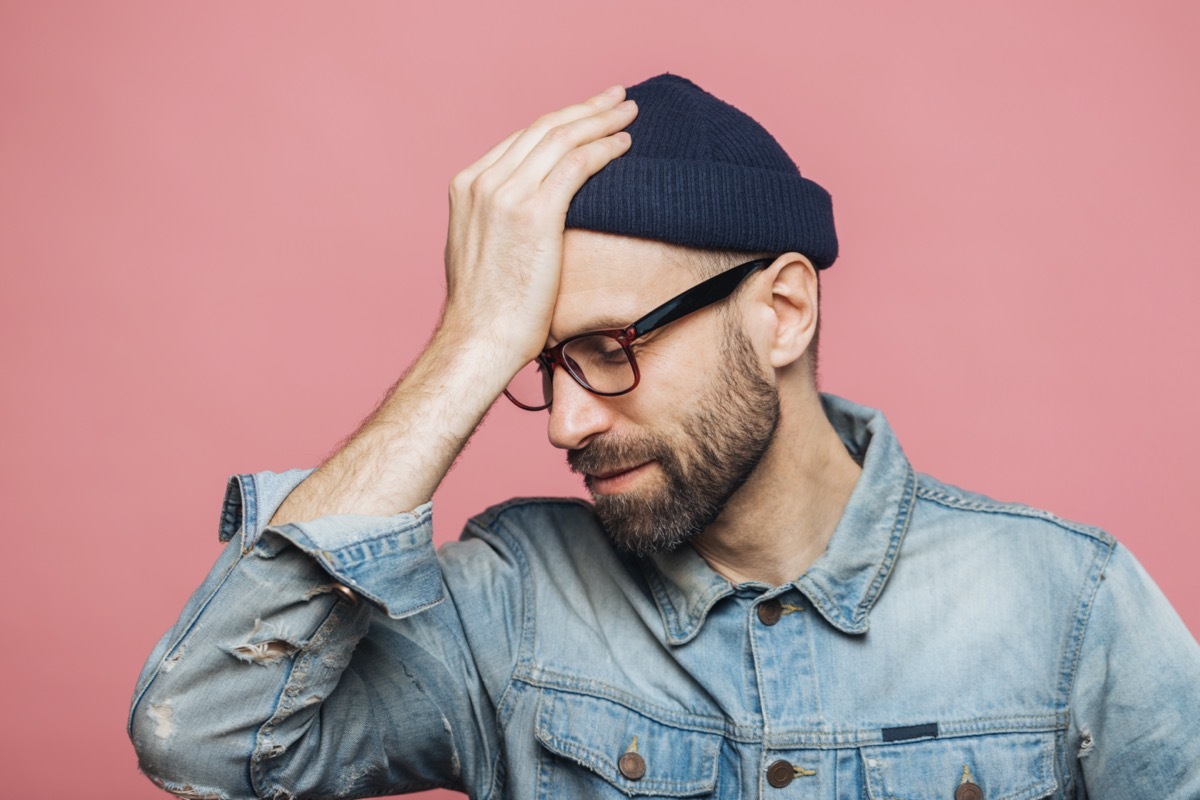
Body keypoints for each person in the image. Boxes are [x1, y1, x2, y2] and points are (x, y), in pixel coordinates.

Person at [129, 74, 1200, 800]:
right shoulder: (511, 605)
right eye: (540, 362)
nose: (564, 420)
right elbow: (208, 733)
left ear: (781, 310)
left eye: (606, 344)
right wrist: (466, 340)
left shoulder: (1067, 602)